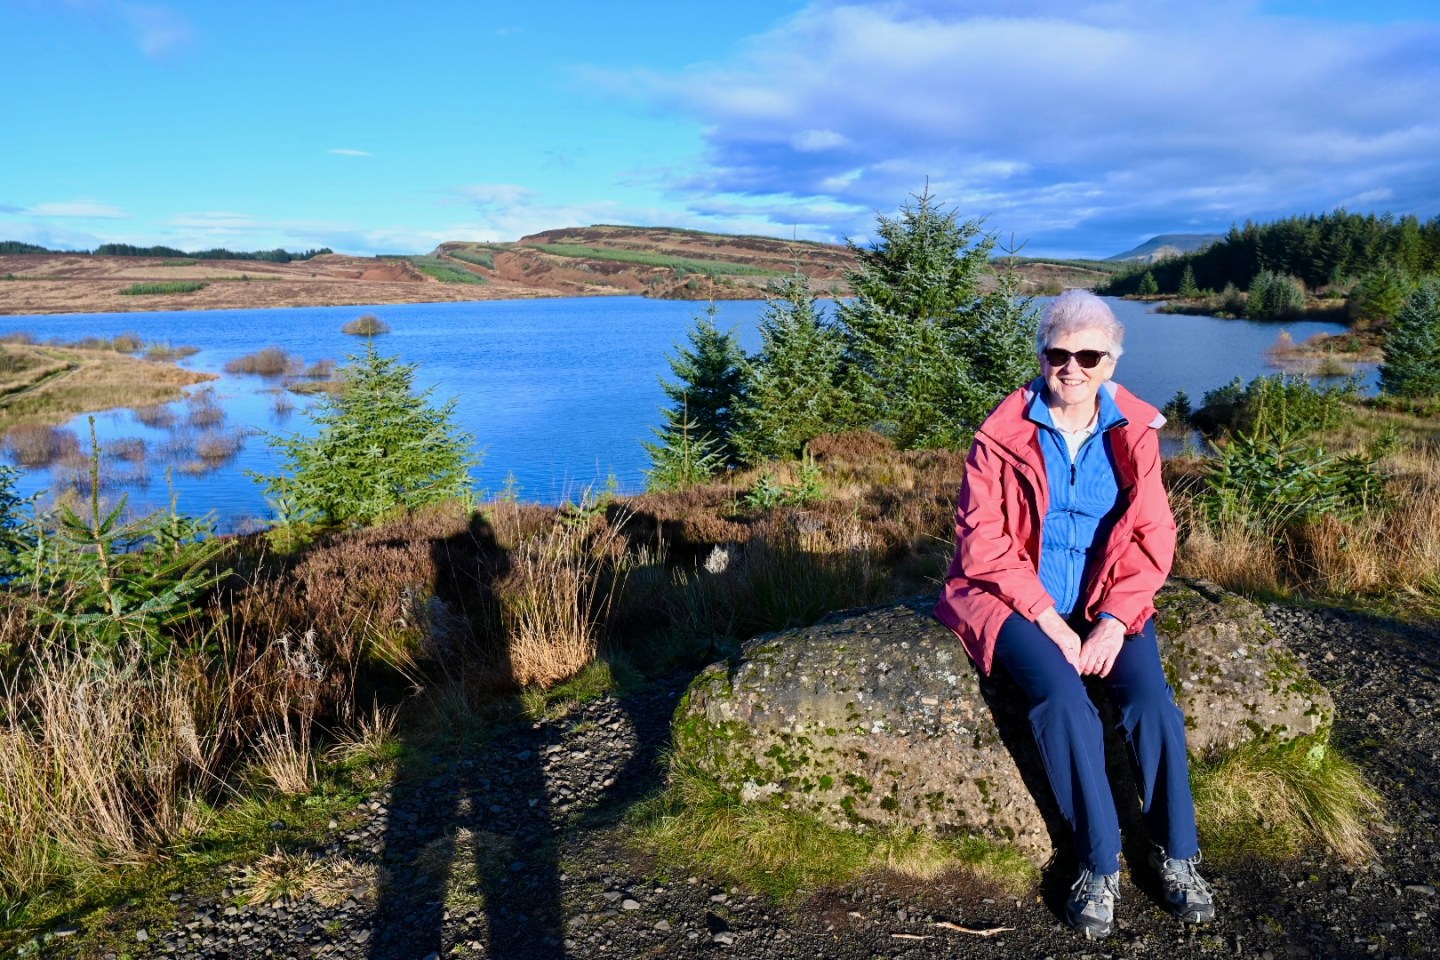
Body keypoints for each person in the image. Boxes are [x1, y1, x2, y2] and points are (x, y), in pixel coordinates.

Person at [933, 289, 1214, 939]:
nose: (1072, 367)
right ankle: (1099, 862)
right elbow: (983, 542)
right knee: (1062, 699)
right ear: (1042, 356)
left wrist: (1114, 620)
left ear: (1110, 362)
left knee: (1151, 703)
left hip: (1107, 596)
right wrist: (1050, 621)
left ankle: (1178, 855)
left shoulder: (1134, 431)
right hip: (1013, 599)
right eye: (1058, 354)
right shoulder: (1002, 434)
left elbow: (1152, 534)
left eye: (1089, 356)